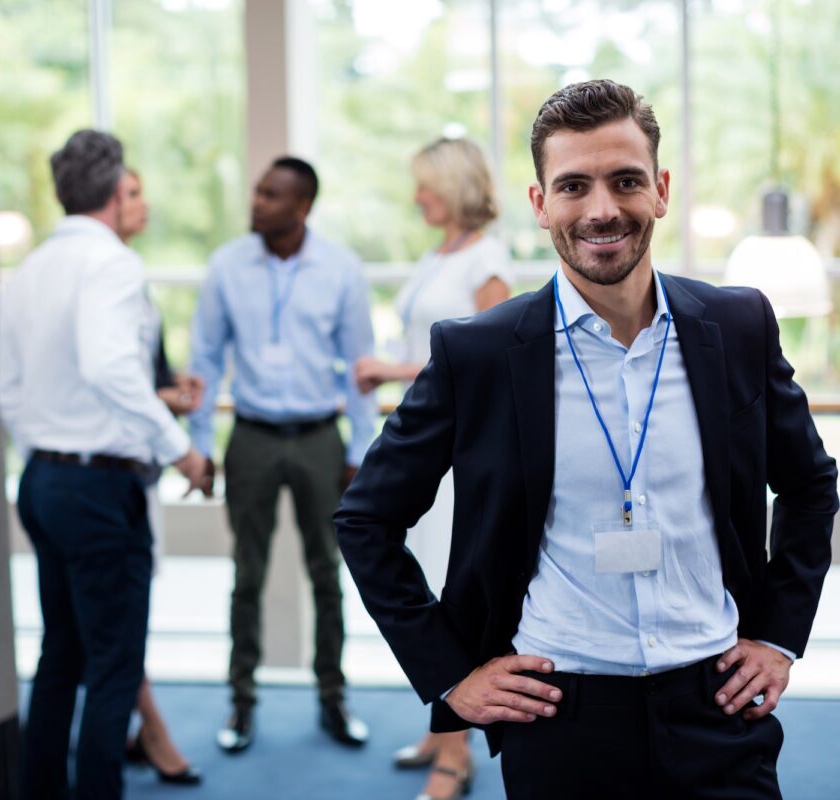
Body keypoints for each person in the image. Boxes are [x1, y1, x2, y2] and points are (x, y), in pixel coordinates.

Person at [335, 79, 838, 799]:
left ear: (660, 190)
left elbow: (811, 484)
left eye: (625, 181)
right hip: (560, 715)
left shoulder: (736, 328)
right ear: (541, 205)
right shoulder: (478, 354)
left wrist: (778, 636)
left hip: (718, 707)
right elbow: (365, 518)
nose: (602, 209)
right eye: (573, 185)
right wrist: (450, 674)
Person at [0, 130, 210, 800]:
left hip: (42, 481)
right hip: (95, 489)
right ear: (117, 192)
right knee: (114, 669)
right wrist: (183, 451)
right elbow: (109, 366)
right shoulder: (111, 263)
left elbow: (7, 388)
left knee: (61, 656)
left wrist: (54, 443)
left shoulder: (28, 268)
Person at [189, 156, 377, 753]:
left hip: (321, 438)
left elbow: (360, 369)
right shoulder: (226, 266)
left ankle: (333, 701)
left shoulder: (340, 269)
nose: (257, 203)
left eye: (271, 195)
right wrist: (199, 445)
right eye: (257, 191)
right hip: (253, 437)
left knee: (328, 574)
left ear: (302, 207)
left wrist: (360, 450)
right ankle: (241, 705)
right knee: (248, 575)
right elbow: (205, 362)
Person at [354, 137, 512, 800]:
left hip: (460, 457)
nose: (417, 196)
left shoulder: (486, 259)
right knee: (423, 586)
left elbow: (492, 362)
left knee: (451, 596)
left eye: (425, 185)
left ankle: (456, 755)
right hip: (427, 449)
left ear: (452, 186)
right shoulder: (437, 253)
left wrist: (391, 370)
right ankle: (442, 728)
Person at [115, 168, 204, 786]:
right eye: (132, 193)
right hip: (108, 475)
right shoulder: (108, 278)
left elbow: (137, 381)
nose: (144, 204)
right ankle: (154, 731)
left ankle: (137, 724)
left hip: (130, 471)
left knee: (117, 613)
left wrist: (174, 394)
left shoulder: (128, 279)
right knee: (118, 615)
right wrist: (183, 450)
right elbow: (113, 383)